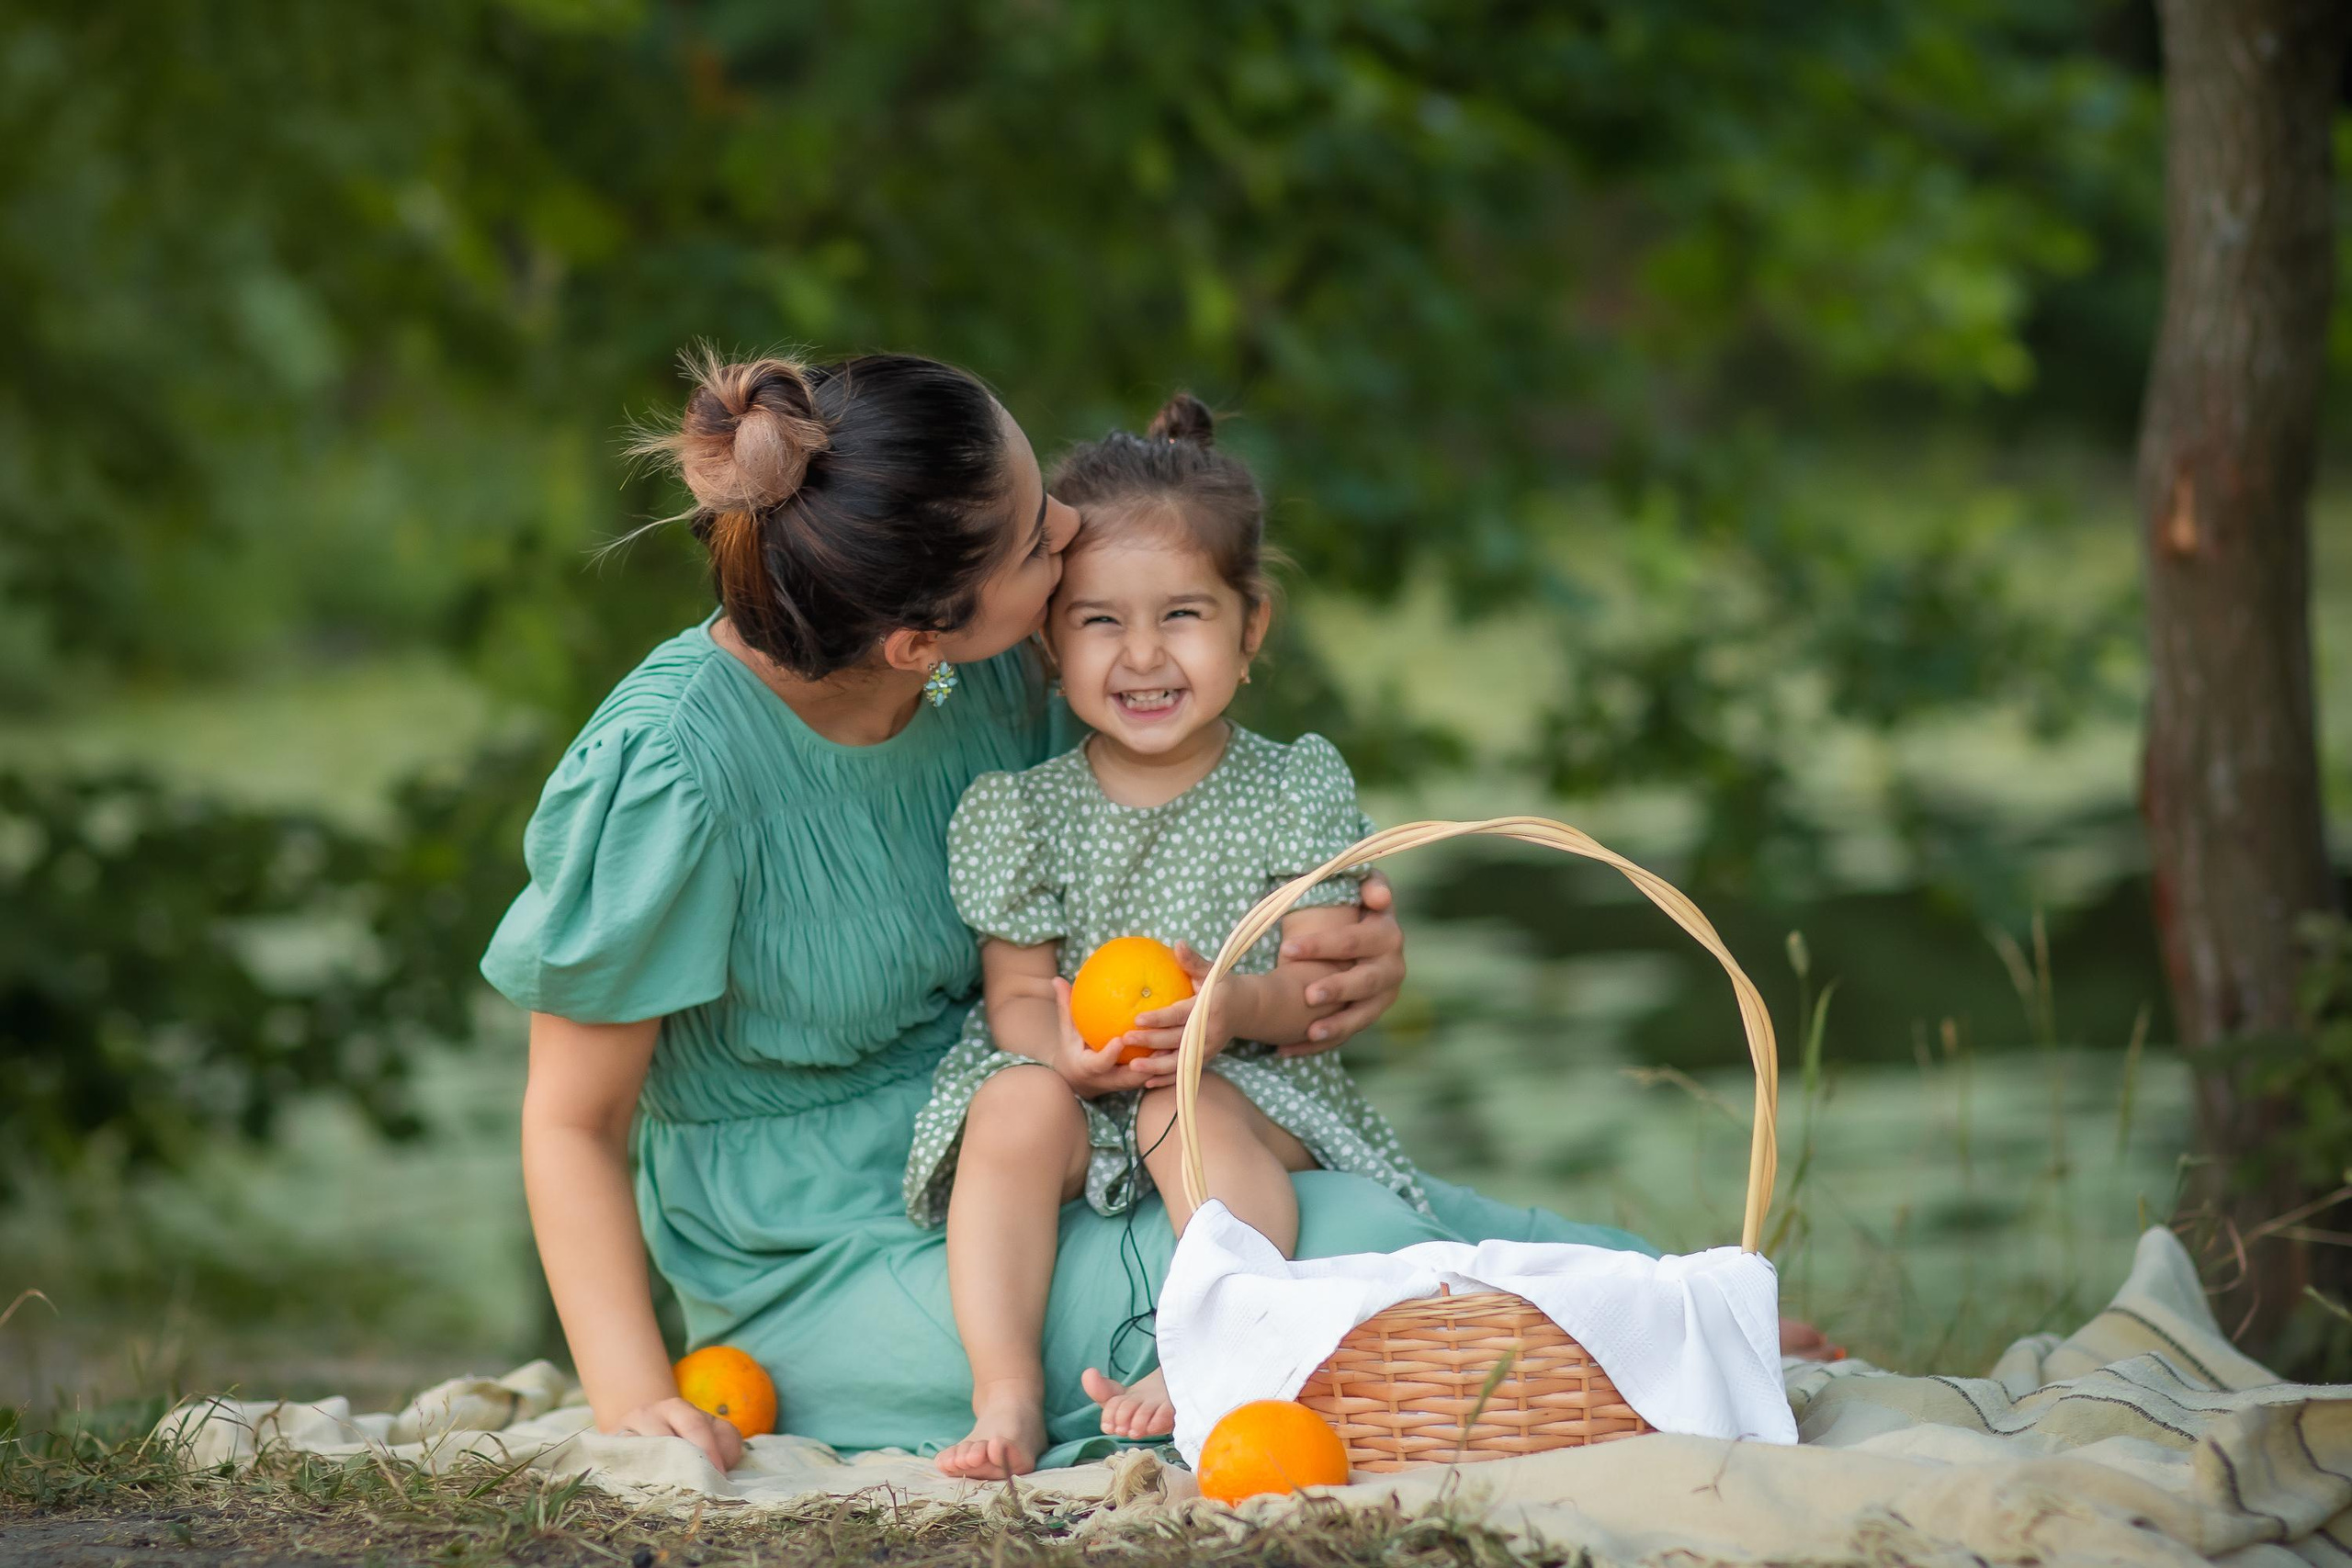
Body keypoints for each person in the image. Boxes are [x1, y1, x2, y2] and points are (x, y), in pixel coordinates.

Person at [908, 394, 1442, 1477]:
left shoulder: (1292, 787)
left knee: (1177, 1102)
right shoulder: (1023, 812)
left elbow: (1318, 996)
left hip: (1239, 1083)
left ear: (1251, 627)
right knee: (1010, 1101)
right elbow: (1014, 990)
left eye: (1183, 615)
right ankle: (1005, 1395)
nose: (1142, 654)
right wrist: (1053, 1046)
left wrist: (1228, 1008)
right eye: (1100, 619)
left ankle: (1199, 1348)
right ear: (1049, 641)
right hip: (1078, 1074)